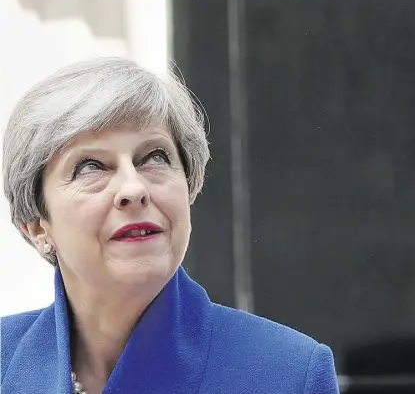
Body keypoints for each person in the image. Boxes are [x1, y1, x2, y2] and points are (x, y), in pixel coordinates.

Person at [1, 57, 339, 394]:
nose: (134, 189)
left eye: (154, 158)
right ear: (36, 226)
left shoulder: (291, 374)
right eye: (91, 167)